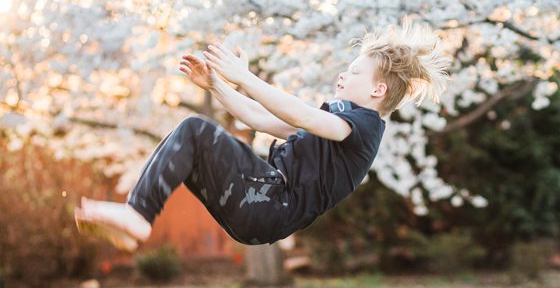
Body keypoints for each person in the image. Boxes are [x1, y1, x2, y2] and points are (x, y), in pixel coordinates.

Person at [75, 17, 450, 252]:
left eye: (353, 72)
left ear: (377, 91)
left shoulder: (363, 128)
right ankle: (134, 218)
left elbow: (301, 115)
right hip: (258, 210)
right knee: (192, 142)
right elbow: (260, 117)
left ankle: (138, 214)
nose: (342, 75)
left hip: (269, 203)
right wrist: (217, 86)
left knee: (194, 130)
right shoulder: (335, 121)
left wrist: (245, 77)